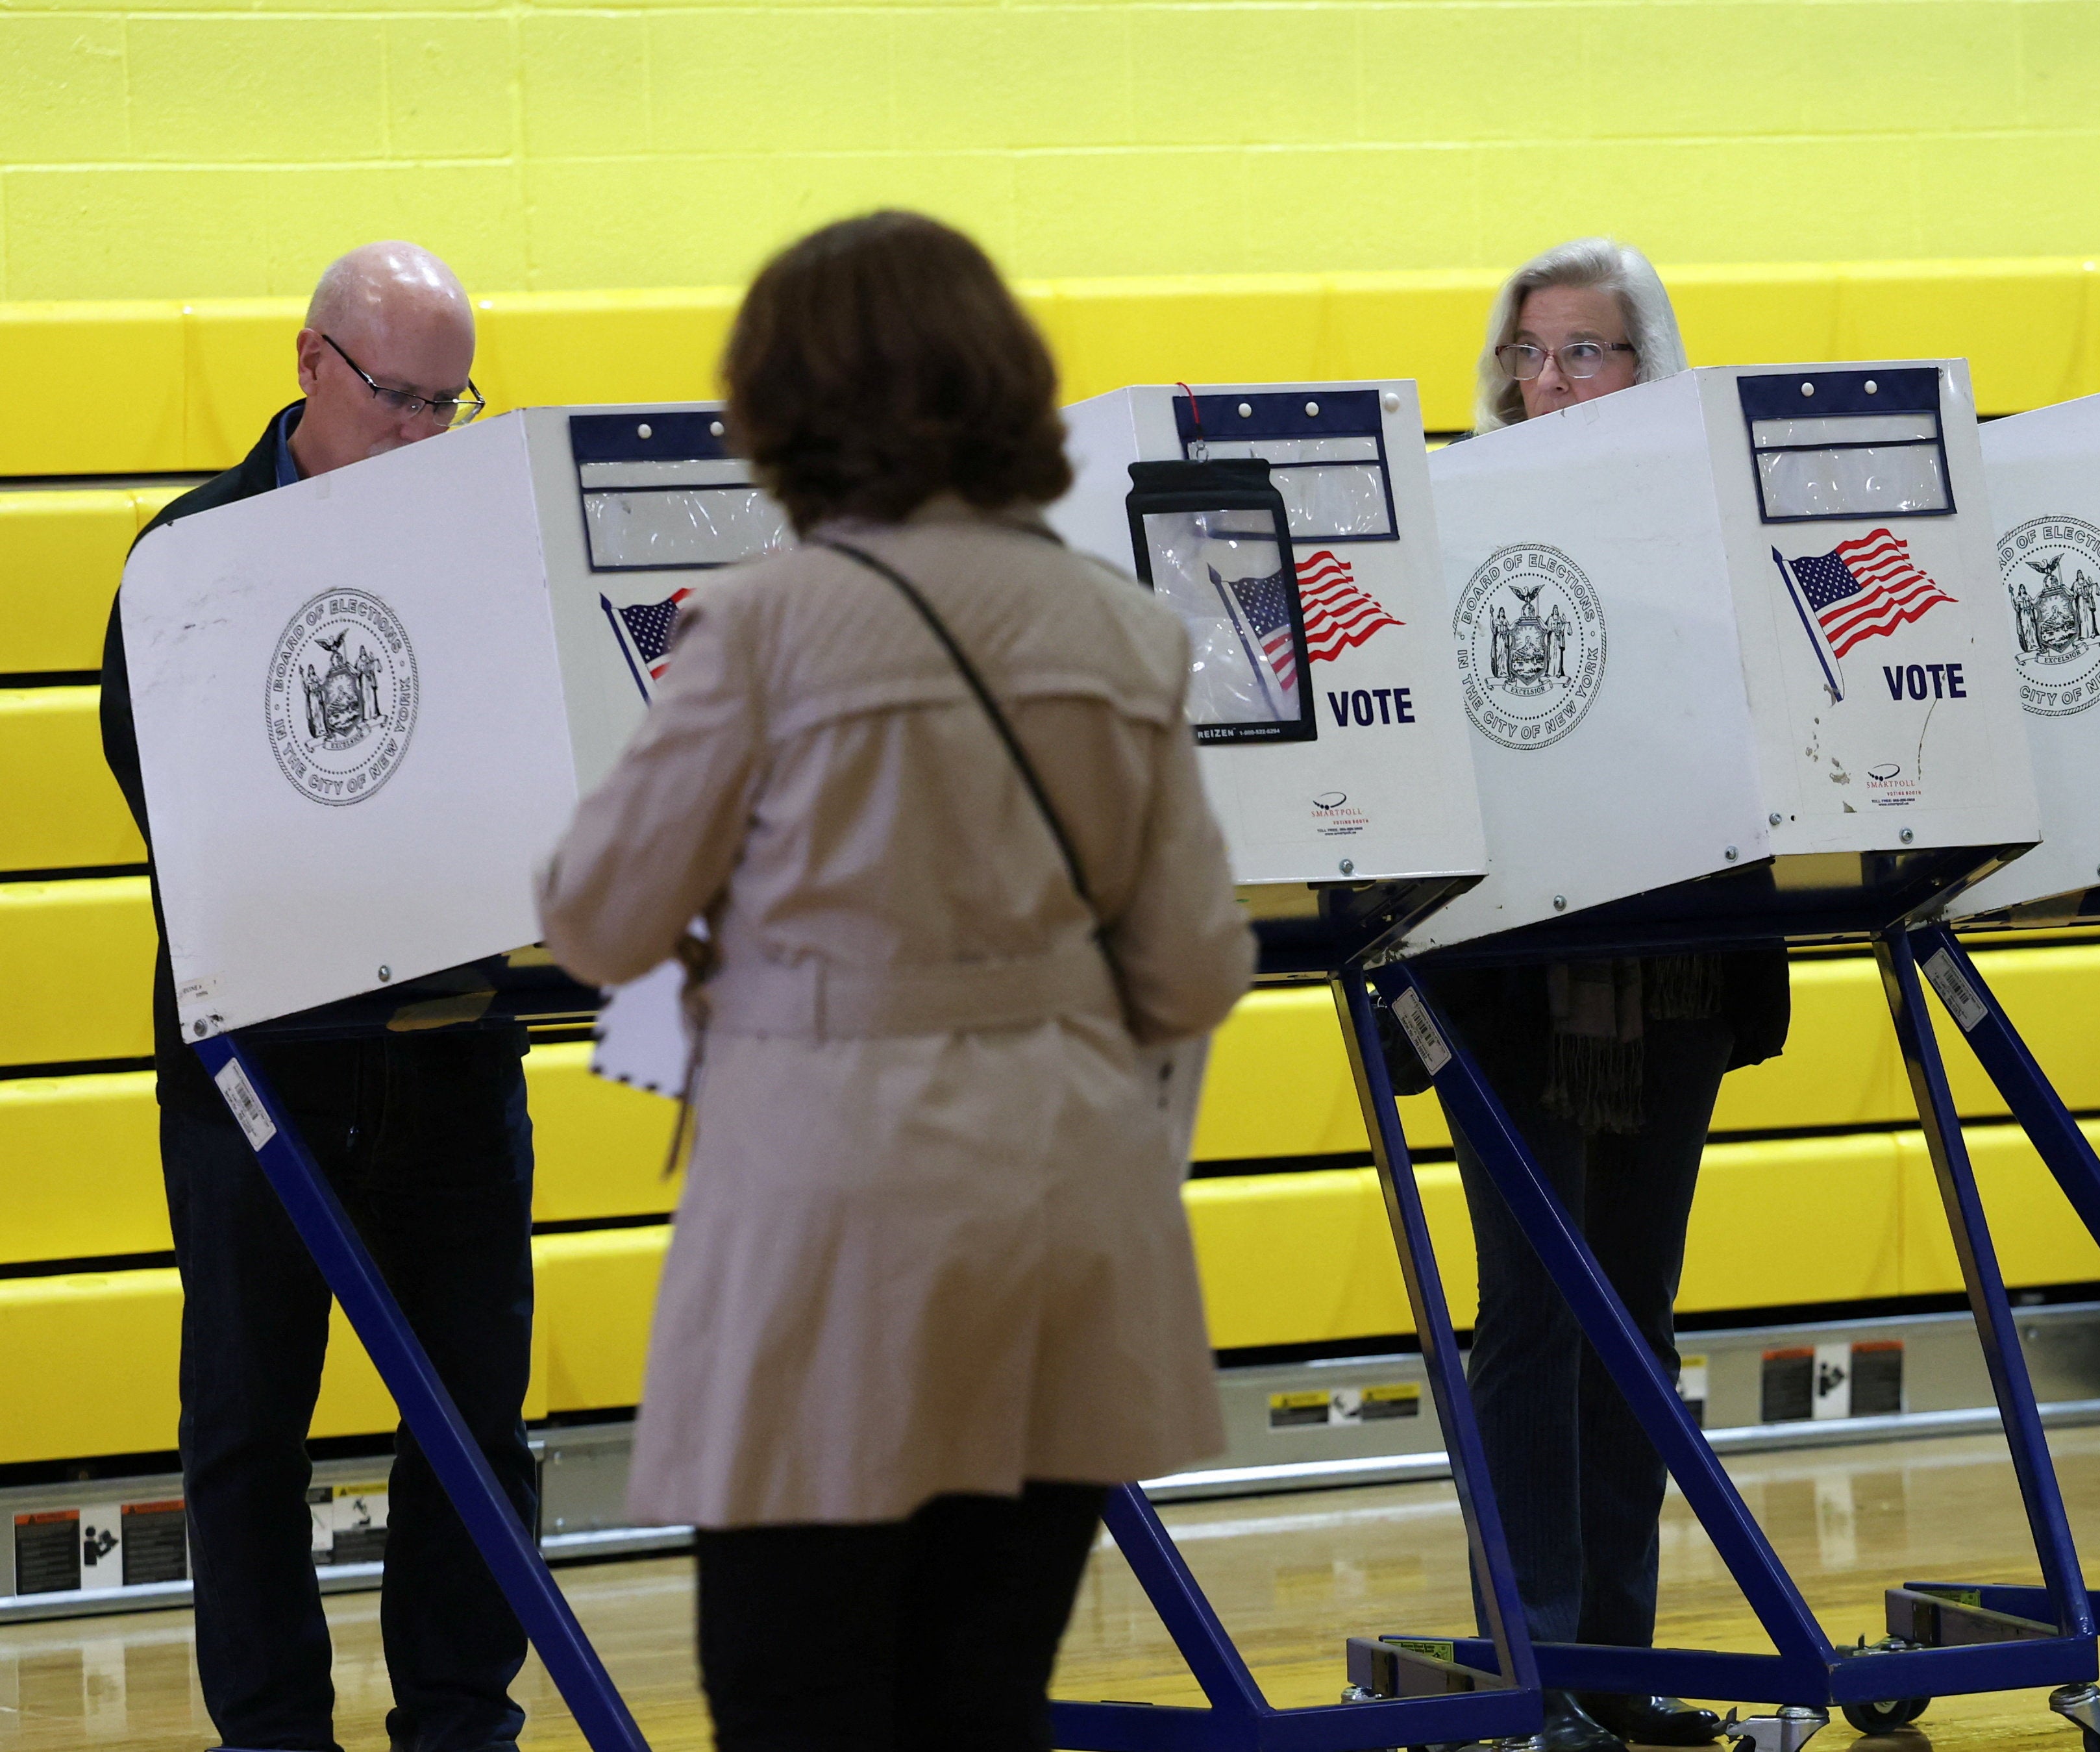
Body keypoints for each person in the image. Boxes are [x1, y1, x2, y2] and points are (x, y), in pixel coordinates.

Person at [534, 210, 1255, 1752]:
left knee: (800, 1702)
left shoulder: (764, 625)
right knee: (981, 1701)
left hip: (831, 1212)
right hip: (1068, 1201)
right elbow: (1194, 963)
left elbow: (596, 919)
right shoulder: (1124, 628)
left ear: (785, 400)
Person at [97, 243, 535, 1752]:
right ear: (311, 368)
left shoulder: (489, 549)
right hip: (257, 1065)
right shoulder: (187, 562)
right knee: (246, 1431)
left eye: (446, 401)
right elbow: (163, 791)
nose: (423, 432)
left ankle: (461, 1720)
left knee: (476, 1421)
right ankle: (273, 1735)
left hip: (449, 1054)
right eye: (398, 398)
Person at [1448, 238, 1795, 1752]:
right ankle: (1538, 1660)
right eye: (1527, 355)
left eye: (1580, 353)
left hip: (1673, 964)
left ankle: (1617, 1669)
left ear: (1645, 368)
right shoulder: (1453, 513)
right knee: (1532, 1315)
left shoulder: (1710, 515)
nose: (1546, 383)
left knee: (1634, 1318)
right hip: (1512, 978)